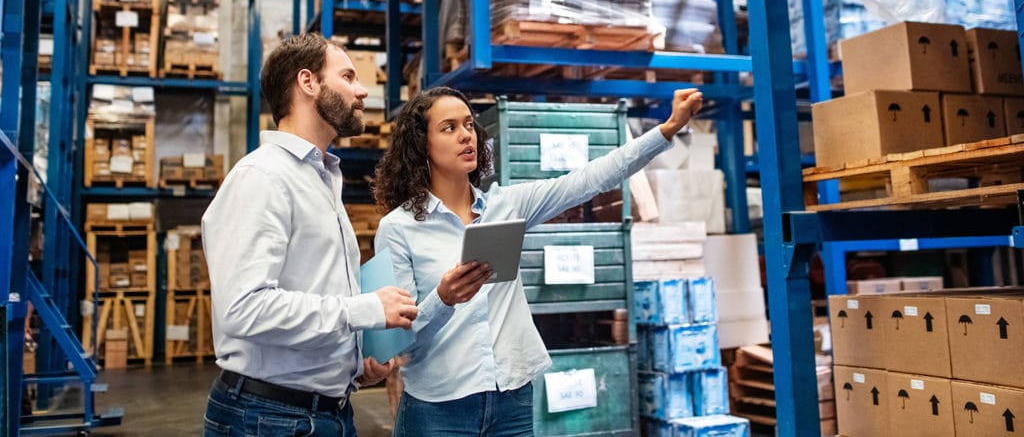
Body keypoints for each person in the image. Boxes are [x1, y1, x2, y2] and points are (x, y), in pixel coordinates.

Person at [372, 86, 703, 437]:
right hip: (438, 409)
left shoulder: (506, 205)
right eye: (449, 127)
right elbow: (395, 340)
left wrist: (668, 129)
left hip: (511, 400)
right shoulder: (398, 228)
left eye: (469, 124)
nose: (466, 135)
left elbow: (590, 178)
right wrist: (443, 299)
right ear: (421, 145)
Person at [202, 33, 418, 437]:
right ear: (308, 82)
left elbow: (314, 288)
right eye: (348, 76)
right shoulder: (263, 178)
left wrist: (352, 363)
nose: (362, 90)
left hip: (326, 411)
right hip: (269, 419)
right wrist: (364, 309)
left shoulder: (321, 177)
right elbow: (244, 308)